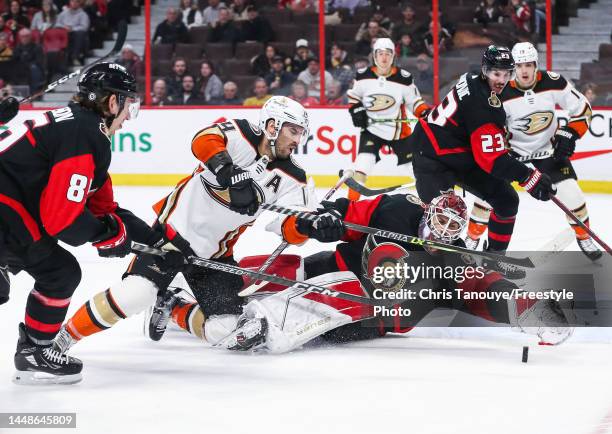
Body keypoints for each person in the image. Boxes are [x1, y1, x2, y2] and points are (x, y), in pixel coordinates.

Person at [52, 97, 325, 362]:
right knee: (136, 294)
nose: (297, 141)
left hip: (214, 257)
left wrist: (310, 226)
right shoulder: (241, 133)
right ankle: (61, 339)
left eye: (301, 133)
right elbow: (203, 139)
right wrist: (226, 170)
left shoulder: (294, 178)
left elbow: (288, 228)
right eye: (293, 131)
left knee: (230, 331)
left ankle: (173, 305)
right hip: (170, 237)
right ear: (272, 126)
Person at [201, 191, 572, 352]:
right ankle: (207, 280)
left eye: (450, 232)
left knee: (337, 289)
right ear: (426, 214)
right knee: (292, 266)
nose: (440, 234)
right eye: (437, 224)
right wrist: (327, 219)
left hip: (375, 313)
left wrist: (527, 306)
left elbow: (486, 290)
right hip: (349, 265)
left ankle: (269, 325)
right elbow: (351, 215)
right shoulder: (398, 210)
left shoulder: (454, 261)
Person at [0, 63, 174, 385]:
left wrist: (160, 243)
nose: (126, 118)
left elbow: (105, 208)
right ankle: (35, 351)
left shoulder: (78, 127)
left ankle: (34, 351)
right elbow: (61, 221)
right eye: (127, 106)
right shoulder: (84, 134)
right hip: (6, 212)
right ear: (112, 103)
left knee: (59, 272)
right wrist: (107, 235)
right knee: (54, 272)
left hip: (10, 212)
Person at [409, 45, 555, 278]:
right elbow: (493, 162)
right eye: (497, 74)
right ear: (486, 71)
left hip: (460, 154)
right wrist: (529, 176)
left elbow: (485, 146)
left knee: (506, 200)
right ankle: (426, 277)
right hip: (432, 156)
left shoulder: (472, 79)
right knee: (443, 222)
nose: (502, 79)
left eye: (507, 74)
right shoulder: (483, 105)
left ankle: (494, 260)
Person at [464, 42, 601, 261]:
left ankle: (584, 236)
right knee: (486, 199)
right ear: (512, 68)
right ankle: (471, 238)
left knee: (574, 197)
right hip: (511, 156)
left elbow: (582, 108)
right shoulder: (498, 90)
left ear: (536, 64)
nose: (524, 70)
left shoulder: (553, 82)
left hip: (548, 153)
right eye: (519, 65)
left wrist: (570, 133)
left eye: (529, 64)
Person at [346, 37, 430, 201]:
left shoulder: (404, 78)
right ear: (374, 56)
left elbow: (415, 102)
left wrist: (425, 113)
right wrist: (356, 110)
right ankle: (350, 205)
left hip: (399, 132)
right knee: (362, 165)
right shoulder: (363, 76)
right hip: (371, 129)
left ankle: (430, 203)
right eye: (380, 54)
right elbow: (354, 96)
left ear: (393, 57)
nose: (384, 58)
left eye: (388, 54)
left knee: (414, 170)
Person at [57, 0, 90, 66]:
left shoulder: (83, 14)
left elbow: (84, 27)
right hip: (64, 32)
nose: (74, 3)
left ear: (79, 3)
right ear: (70, 2)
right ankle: (59, 59)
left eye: (76, 2)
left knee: (80, 33)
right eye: (72, 1)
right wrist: (65, 27)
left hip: (75, 33)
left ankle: (74, 57)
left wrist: (72, 29)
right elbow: (57, 23)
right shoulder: (64, 13)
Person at [11, 28, 45, 93]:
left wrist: (28, 64)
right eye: (23, 36)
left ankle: (33, 92)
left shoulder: (37, 47)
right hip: (20, 67)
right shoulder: (17, 48)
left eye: (27, 36)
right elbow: (14, 60)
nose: (25, 38)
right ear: (20, 37)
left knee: (34, 68)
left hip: (33, 66)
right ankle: (16, 92)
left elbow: (39, 60)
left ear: (30, 37)